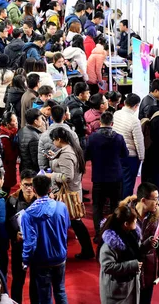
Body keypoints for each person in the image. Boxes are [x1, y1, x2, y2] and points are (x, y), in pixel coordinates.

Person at [21, 175, 70, 304]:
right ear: (49, 189)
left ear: (34, 190)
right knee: (60, 290)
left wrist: (25, 260)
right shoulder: (61, 207)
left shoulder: (28, 214)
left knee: (44, 295)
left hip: (41, 261)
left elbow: (29, 242)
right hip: (60, 256)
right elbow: (67, 227)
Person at [49, 127, 95, 259]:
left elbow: (67, 176)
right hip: (74, 191)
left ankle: (84, 250)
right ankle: (87, 250)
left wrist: (50, 175)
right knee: (75, 222)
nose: (53, 143)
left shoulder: (67, 154)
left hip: (68, 194)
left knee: (72, 222)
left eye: (54, 140)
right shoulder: (72, 149)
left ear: (58, 139)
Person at [86, 112, 129, 238]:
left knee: (97, 207)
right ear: (112, 123)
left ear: (100, 123)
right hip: (116, 177)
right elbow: (125, 154)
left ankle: (99, 233)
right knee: (115, 206)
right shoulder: (119, 137)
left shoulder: (93, 138)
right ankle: (114, 232)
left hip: (99, 177)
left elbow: (87, 155)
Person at [133, 183, 159, 304]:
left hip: (149, 268)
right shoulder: (126, 217)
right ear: (143, 200)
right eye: (155, 199)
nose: (158, 203)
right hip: (130, 268)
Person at [98, 204, 142, 304]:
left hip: (129, 287)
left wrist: (149, 243)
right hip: (116, 292)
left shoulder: (132, 235)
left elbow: (137, 251)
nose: (136, 222)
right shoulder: (110, 245)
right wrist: (132, 265)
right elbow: (107, 266)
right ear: (126, 224)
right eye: (134, 220)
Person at [6, 170, 37, 304]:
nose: (29, 188)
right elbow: (6, 222)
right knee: (18, 279)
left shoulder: (41, 200)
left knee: (36, 280)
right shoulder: (12, 200)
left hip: (37, 247)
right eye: (26, 185)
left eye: (31, 185)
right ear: (20, 184)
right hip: (19, 246)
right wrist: (14, 235)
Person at [113, 94, 145, 198]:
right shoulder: (134, 121)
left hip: (117, 153)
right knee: (128, 182)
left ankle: (118, 203)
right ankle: (125, 205)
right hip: (130, 156)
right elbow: (139, 141)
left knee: (118, 180)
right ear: (136, 106)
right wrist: (141, 157)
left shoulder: (116, 113)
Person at [64, 82, 90, 148]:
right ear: (81, 95)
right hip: (77, 138)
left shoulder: (69, 99)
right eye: (87, 93)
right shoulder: (77, 110)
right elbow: (80, 129)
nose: (89, 95)